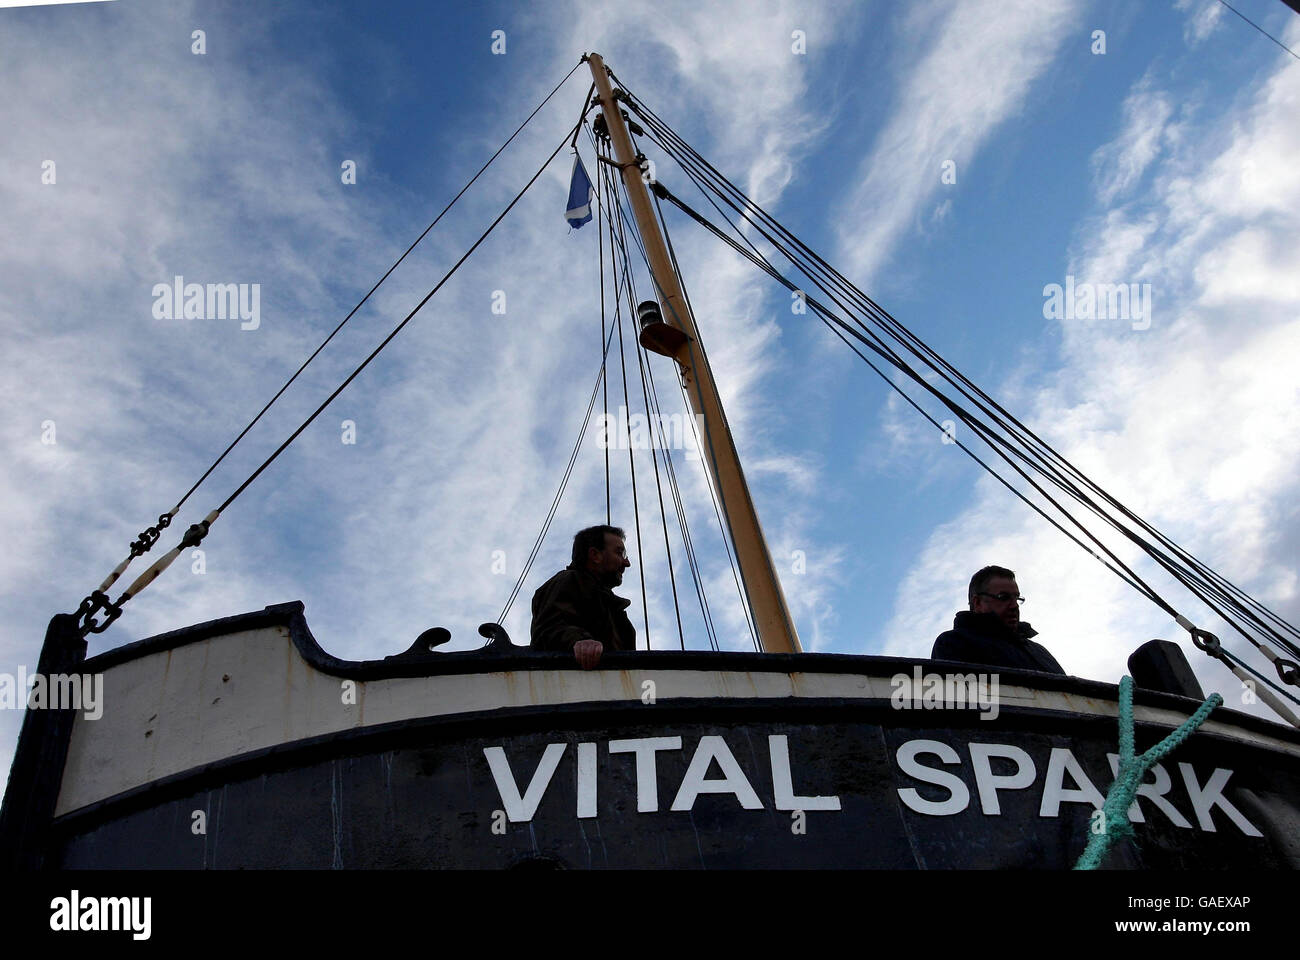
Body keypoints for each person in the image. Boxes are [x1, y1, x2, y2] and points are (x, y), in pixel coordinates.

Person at [531, 525, 636, 669]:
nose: (627, 563)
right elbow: (549, 629)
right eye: (619, 553)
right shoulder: (568, 581)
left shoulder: (613, 608)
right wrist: (579, 641)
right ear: (595, 555)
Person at [931, 565, 1065, 674]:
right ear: (978, 603)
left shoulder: (1039, 651)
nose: (1014, 606)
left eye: (1017, 598)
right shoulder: (953, 643)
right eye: (1003, 597)